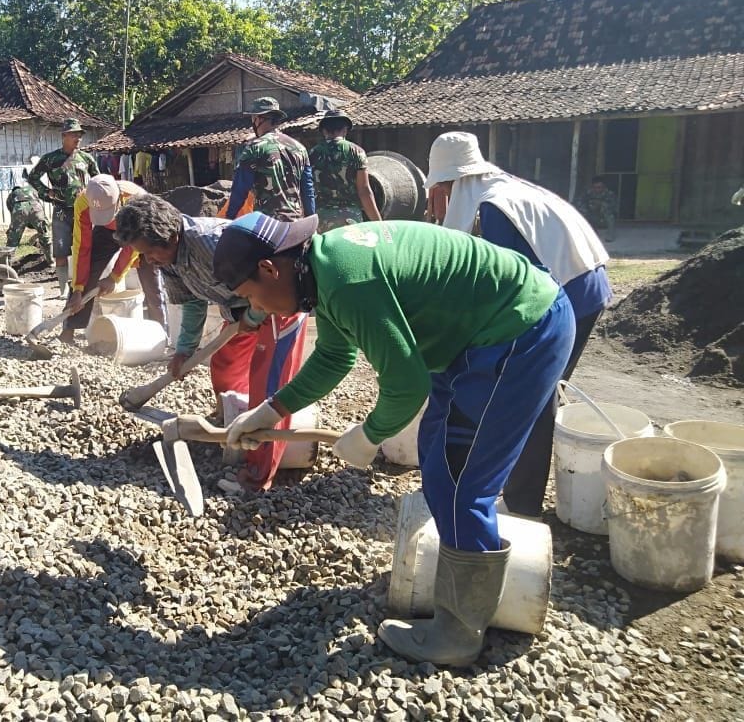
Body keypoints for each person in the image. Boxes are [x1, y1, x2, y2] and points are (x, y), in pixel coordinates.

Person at [214, 212, 574, 666]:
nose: (261, 311)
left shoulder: (347, 280)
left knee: (463, 485)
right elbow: (333, 357)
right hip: (473, 339)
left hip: (517, 333)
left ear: (270, 268)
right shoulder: (320, 268)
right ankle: (460, 572)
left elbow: (406, 387)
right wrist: (269, 410)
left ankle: (459, 634)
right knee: (439, 458)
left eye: (252, 296)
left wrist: (368, 436)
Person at [424, 131, 611, 519]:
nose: (437, 203)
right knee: (539, 391)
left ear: (453, 182)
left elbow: (515, 292)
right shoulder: (502, 190)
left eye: (438, 190)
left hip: (572, 291)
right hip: (587, 281)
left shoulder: (493, 208)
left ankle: (522, 504)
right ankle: (514, 485)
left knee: (528, 395)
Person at [113, 195, 308, 492]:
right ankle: (235, 423)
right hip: (241, 310)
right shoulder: (168, 260)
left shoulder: (212, 242)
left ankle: (257, 474)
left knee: (267, 385)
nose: (148, 261)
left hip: (278, 302)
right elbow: (191, 303)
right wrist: (184, 350)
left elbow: (267, 279)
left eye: (150, 253)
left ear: (171, 237)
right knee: (225, 366)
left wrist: (255, 315)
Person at [60, 175, 166, 345]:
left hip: (143, 231)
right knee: (89, 270)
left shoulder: (135, 199)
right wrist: (78, 288)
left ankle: (160, 335)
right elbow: (82, 247)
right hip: (108, 231)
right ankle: (68, 331)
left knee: (151, 283)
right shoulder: (82, 203)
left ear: (118, 200)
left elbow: (132, 247)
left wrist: (114, 277)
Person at [27, 118, 100, 296]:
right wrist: (47, 193)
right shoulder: (51, 159)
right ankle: (62, 290)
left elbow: (99, 180)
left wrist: (95, 199)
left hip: (83, 211)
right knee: (60, 251)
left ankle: (82, 286)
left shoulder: (86, 158)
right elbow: (33, 178)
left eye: (80, 135)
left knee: (84, 249)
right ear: (64, 136)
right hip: (61, 211)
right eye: (74, 135)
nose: (78, 138)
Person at [224, 97, 315, 221]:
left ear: (259, 119)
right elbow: (308, 190)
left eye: (253, 118)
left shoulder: (254, 148)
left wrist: (229, 218)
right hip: (296, 222)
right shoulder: (300, 148)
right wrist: (310, 220)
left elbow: (240, 190)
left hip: (266, 224)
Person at [308, 109, 382, 231]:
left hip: (322, 218)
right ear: (345, 129)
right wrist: (378, 224)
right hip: (350, 218)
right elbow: (364, 190)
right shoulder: (356, 152)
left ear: (324, 130)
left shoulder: (313, 153)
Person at [5, 185, 54, 266]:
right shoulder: (32, 189)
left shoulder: (11, 195)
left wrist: (12, 229)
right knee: (45, 233)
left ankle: (7, 266)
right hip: (36, 207)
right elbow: (41, 199)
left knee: (13, 238)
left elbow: (12, 210)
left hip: (19, 209)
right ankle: (51, 261)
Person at [574, 175, 619, 242]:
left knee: (610, 216)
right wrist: (586, 208)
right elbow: (579, 202)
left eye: (600, 187)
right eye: (595, 187)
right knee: (581, 214)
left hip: (604, 217)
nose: (597, 189)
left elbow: (614, 207)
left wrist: (602, 205)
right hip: (592, 215)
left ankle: (610, 235)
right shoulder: (588, 193)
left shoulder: (609, 194)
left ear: (604, 187)